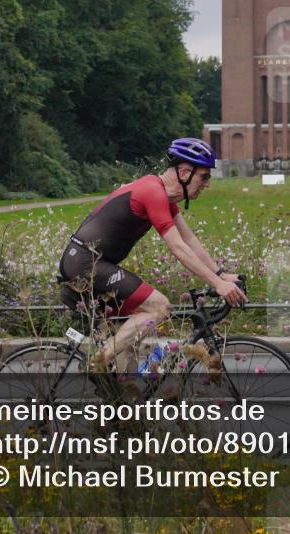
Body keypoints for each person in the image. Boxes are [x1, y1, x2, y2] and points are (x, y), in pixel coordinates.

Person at [58, 138, 246, 373]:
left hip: (94, 263)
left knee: (127, 352)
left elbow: (189, 239)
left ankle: (123, 403)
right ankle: (96, 364)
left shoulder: (165, 197)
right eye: (204, 176)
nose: (207, 183)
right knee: (159, 307)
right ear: (185, 172)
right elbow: (177, 247)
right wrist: (217, 284)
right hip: (84, 263)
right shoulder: (151, 191)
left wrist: (221, 275)